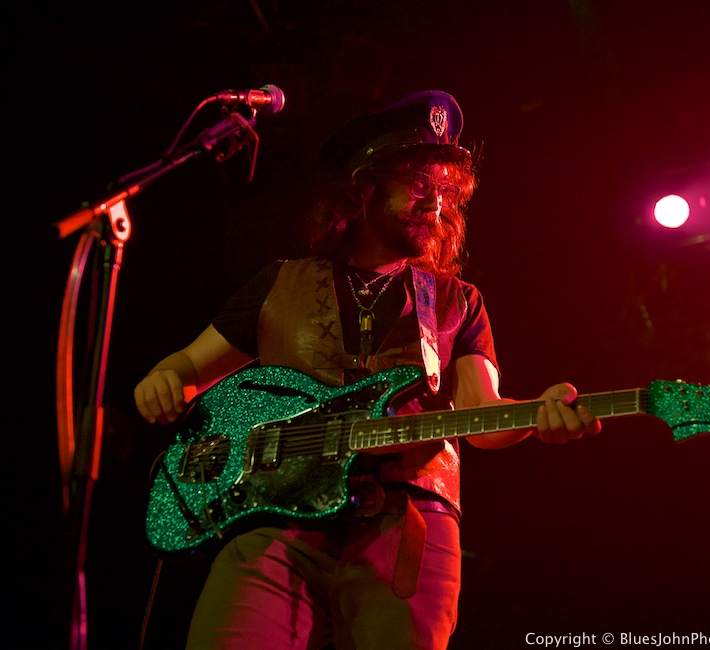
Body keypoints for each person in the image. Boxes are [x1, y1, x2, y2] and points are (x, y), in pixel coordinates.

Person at [133, 89, 601, 650]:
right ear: (364, 187)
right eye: (420, 185)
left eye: (446, 193)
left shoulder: (456, 301)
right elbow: (186, 366)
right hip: (275, 528)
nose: (436, 206)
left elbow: (484, 416)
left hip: (407, 530)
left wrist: (537, 417)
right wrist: (164, 380)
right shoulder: (280, 283)